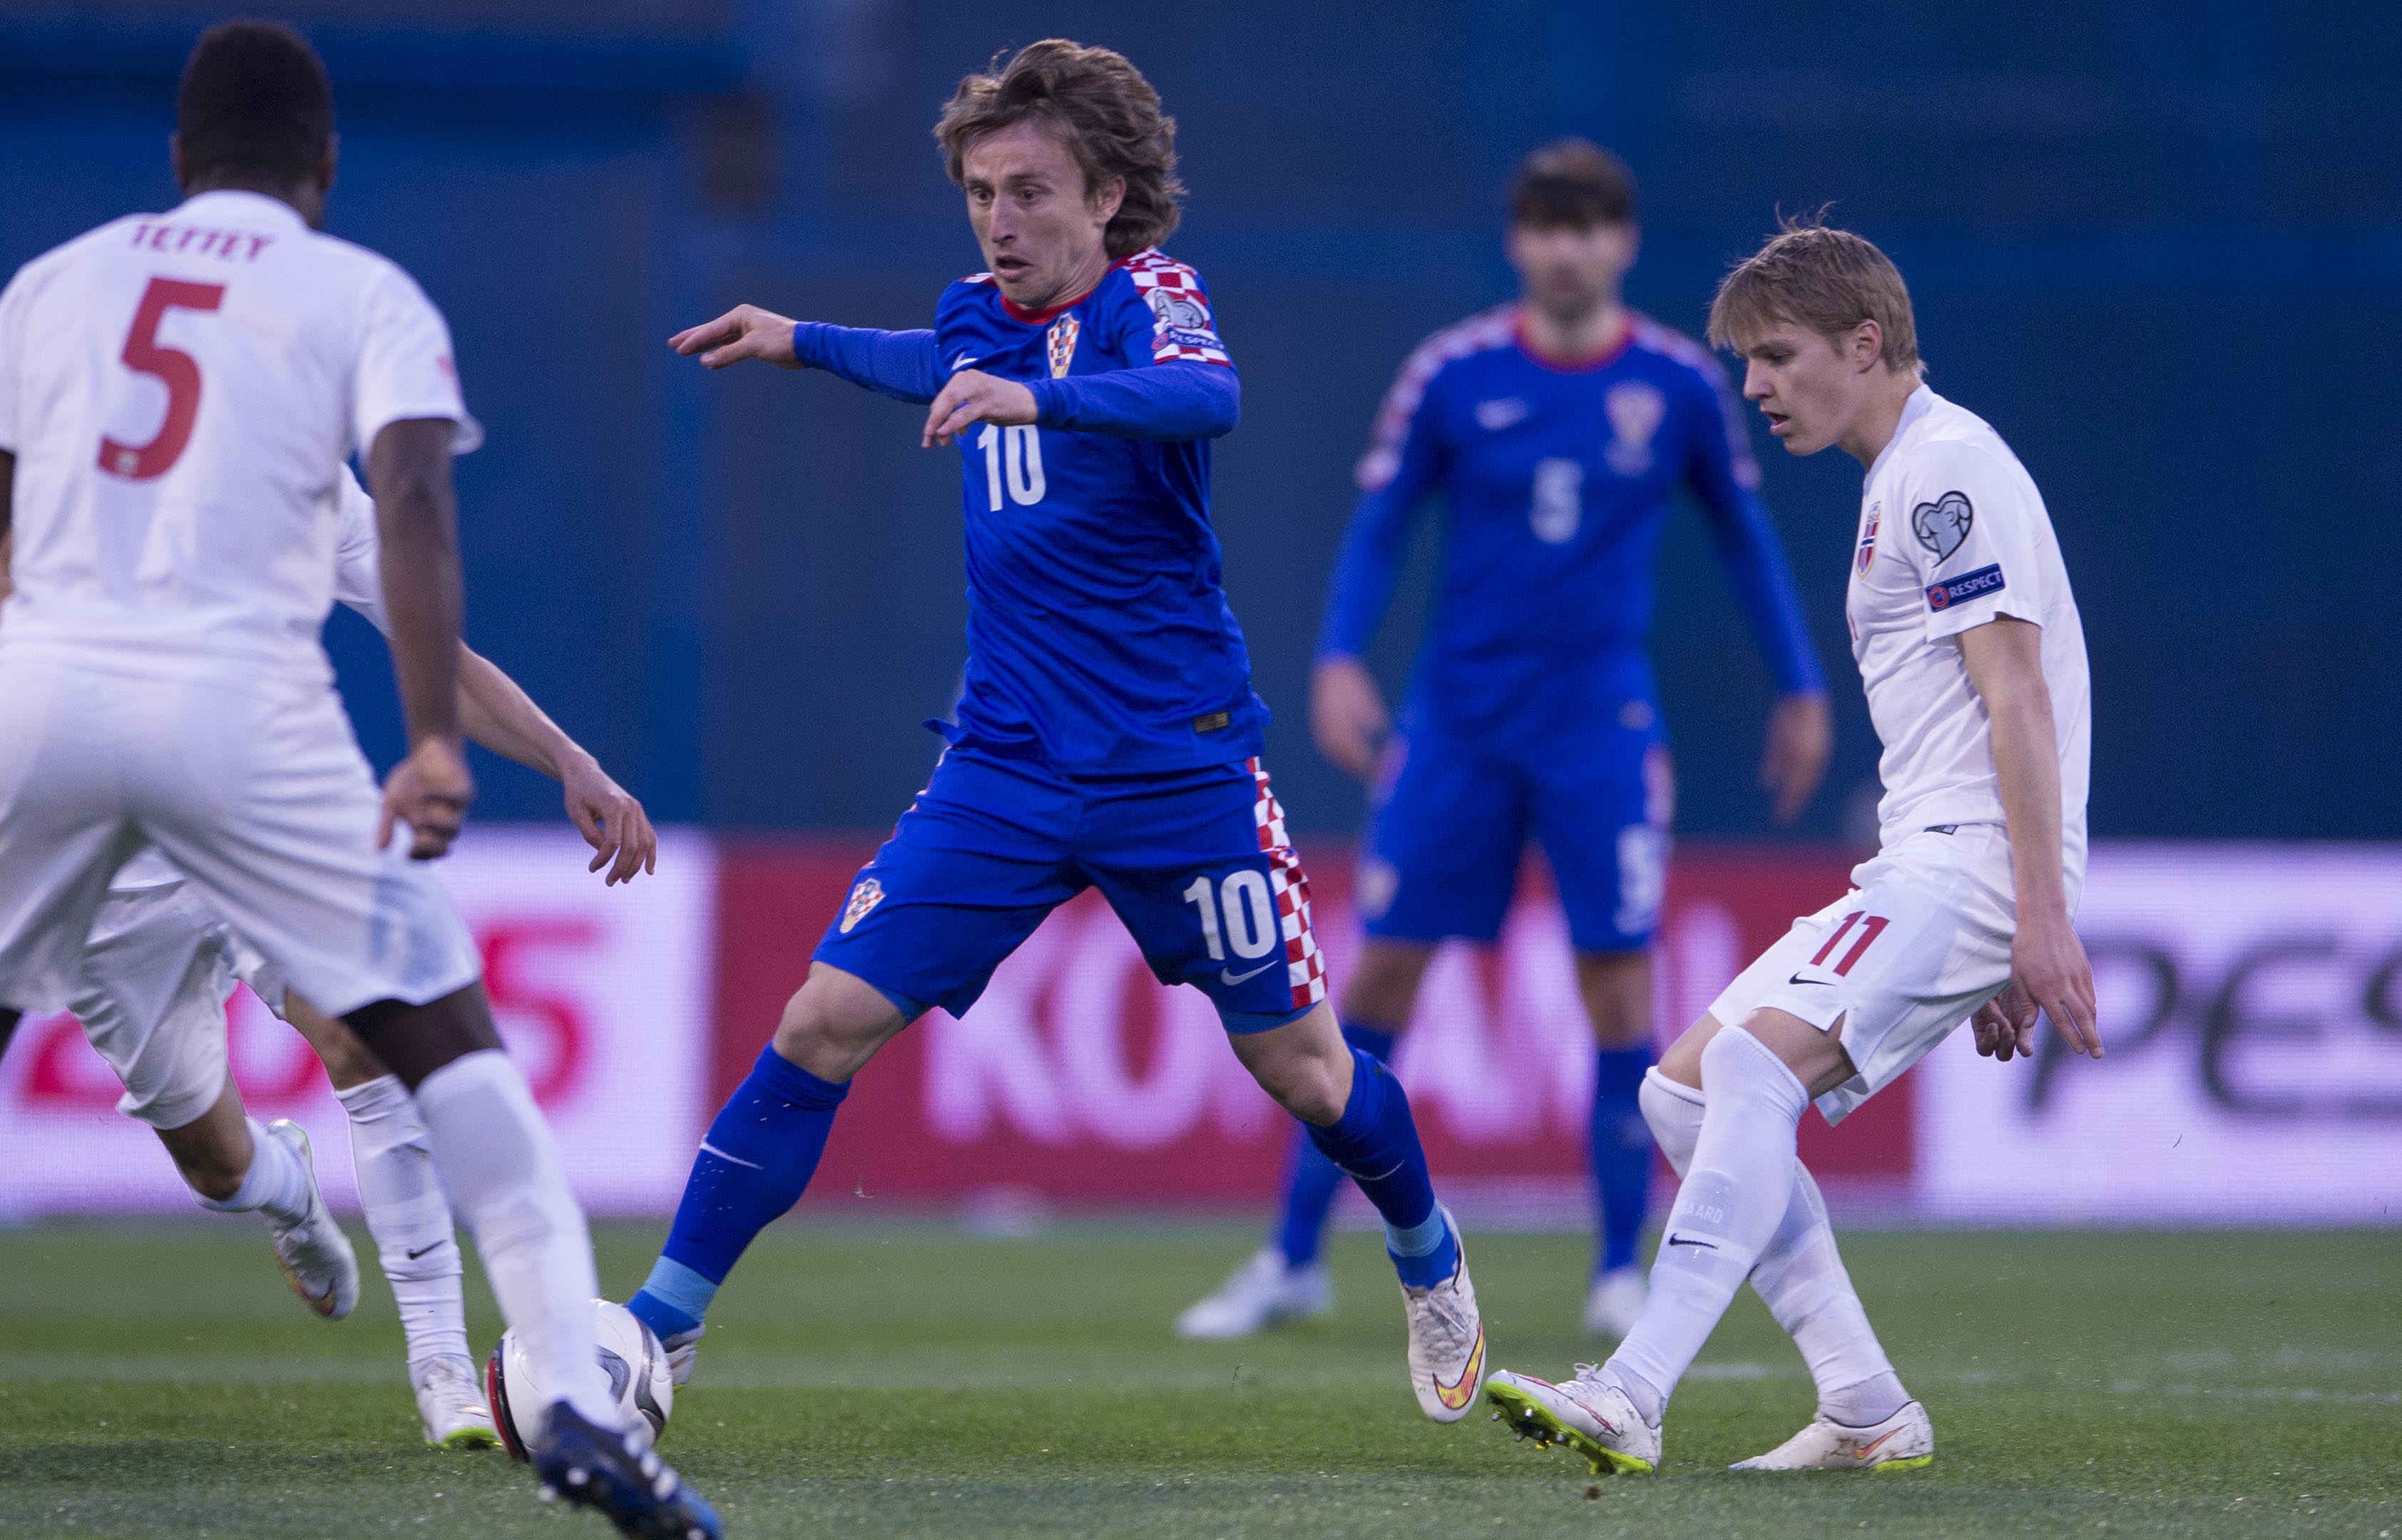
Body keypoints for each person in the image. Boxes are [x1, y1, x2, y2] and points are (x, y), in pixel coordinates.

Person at [0, 24, 717, 1540]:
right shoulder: (357, 297)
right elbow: (416, 521)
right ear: (324, 167)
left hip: (45, 719)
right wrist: (434, 746)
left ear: (180, 161)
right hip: (241, 722)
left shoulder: (53, 287)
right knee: (436, 1053)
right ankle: (569, 1405)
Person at [621, 38, 1488, 1429]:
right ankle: (655, 1334)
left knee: (1307, 1072)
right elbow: (939, 360)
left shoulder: (1154, 299)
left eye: (1028, 191)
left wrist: (1039, 394)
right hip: (1006, 769)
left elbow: (1211, 398)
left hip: (1179, 770)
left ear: (1106, 197)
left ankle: (1425, 1252)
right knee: (821, 1020)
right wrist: (803, 339)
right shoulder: (974, 316)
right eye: (980, 193)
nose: (999, 220)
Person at [1178, 140, 1830, 1345]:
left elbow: (1743, 535)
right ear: (1519, 243)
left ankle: (1618, 1267)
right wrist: (1337, 656)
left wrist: (1799, 685)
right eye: (1545, 227)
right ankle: (1291, 1258)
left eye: (1588, 227)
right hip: (1458, 726)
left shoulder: (1680, 384)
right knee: (1375, 980)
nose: (1565, 250)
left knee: (1619, 985)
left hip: (1599, 727)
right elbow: (1381, 522)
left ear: (1623, 243)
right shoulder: (1453, 373)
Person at [1483, 219, 2098, 1474]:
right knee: (1680, 1093)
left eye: (1777, 356)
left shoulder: (1945, 471)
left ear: (1863, 344)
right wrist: (1996, 940)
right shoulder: (1904, 472)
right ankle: (1864, 1402)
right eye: (1750, 362)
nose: (1755, 386)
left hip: (1971, 854)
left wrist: (2034, 917)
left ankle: (1632, 1391)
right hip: (1939, 857)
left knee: (1752, 1071)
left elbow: (2019, 698)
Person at [43, 471, 659, 1451]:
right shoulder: (74, 463)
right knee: (215, 1166)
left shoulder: (298, 472)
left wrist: (570, 759)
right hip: (110, 862)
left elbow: (437, 654)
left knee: (367, 1041)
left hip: (263, 814)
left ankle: (442, 1369)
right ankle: (284, 1189)